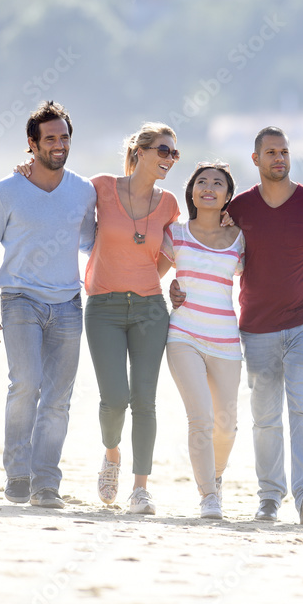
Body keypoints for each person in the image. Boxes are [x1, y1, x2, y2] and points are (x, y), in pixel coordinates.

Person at [171, 126, 303, 525]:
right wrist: (178, 286)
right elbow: (207, 249)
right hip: (256, 329)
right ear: (255, 159)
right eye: (271, 152)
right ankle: (270, 497)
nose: (279, 158)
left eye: (284, 152)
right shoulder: (239, 208)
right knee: (266, 417)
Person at [0, 100, 97, 509]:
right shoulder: (6, 191)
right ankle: (18, 473)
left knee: (58, 398)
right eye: (50, 139)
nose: (59, 145)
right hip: (20, 299)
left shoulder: (84, 191)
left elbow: (94, 243)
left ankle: (46, 484)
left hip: (67, 304)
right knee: (25, 384)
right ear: (32, 144)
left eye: (64, 138)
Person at [84, 122, 180, 514]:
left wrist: (141, 281)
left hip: (149, 310)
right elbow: (58, 198)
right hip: (103, 308)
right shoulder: (101, 188)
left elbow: (176, 250)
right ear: (140, 151)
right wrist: (26, 172)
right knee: (114, 399)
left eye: (174, 154)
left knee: (144, 400)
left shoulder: (170, 203)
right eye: (163, 151)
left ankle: (140, 489)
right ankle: (112, 454)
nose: (169, 160)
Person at [161, 162, 244, 520]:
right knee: (201, 418)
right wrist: (170, 289)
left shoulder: (240, 238)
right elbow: (151, 276)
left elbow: (268, 272)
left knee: (226, 425)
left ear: (228, 195)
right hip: (184, 335)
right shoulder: (175, 233)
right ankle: (208, 496)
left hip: (226, 339)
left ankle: (217, 476)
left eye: (218, 183)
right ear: (192, 191)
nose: (209, 187)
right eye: (202, 182)